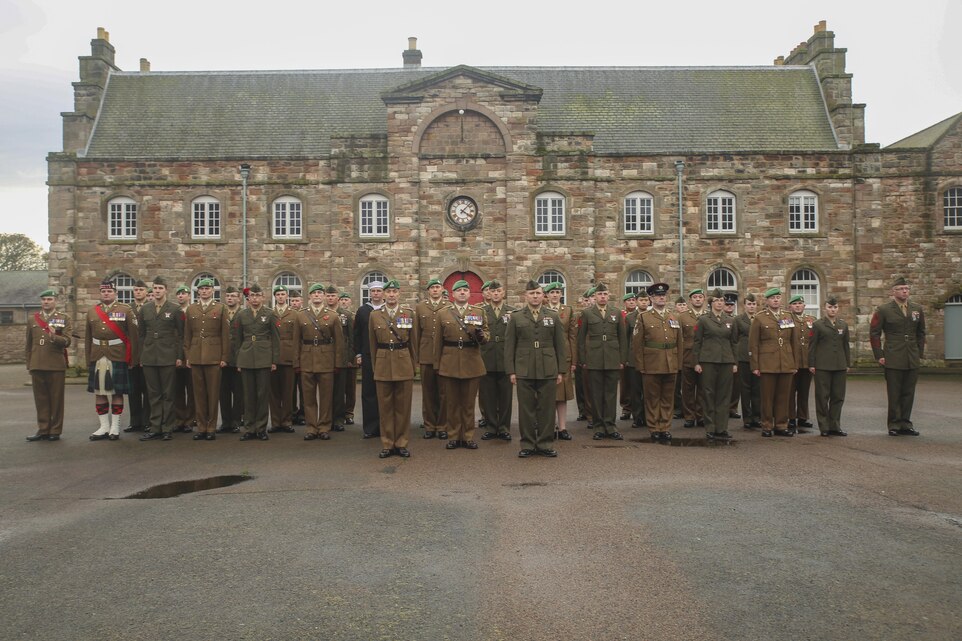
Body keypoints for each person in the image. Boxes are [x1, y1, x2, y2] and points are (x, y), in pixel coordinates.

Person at [506, 280, 566, 457]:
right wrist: (511, 371)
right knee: (526, 409)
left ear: (543, 295)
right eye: (531, 293)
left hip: (548, 368)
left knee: (546, 408)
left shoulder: (553, 316)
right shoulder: (516, 317)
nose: (535, 296)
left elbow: (560, 346)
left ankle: (545, 444)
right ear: (526, 296)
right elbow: (510, 346)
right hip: (524, 368)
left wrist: (561, 371)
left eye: (538, 293)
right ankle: (527, 444)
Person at [435, 279, 490, 450]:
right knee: (452, 403)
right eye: (459, 291)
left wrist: (482, 336)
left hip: (471, 361)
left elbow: (487, 334)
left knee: (468, 403)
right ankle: (453, 436)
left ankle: (467, 436)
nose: (462, 293)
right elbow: (437, 341)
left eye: (466, 290)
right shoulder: (443, 313)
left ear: (469, 294)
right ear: (452, 294)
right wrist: (437, 364)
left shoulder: (478, 311)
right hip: (450, 361)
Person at [368, 279, 418, 458]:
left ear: (399, 294)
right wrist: (375, 366)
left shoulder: (408, 314)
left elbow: (413, 343)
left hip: (403, 362)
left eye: (394, 292)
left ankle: (402, 443)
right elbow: (372, 344)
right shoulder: (375, 315)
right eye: (387, 292)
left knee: (403, 407)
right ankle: (388, 443)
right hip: (382, 364)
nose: (390, 295)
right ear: (383, 294)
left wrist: (413, 365)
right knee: (385, 407)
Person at [870, 277, 926, 436]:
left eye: (907, 288)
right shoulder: (883, 310)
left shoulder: (916, 309)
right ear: (893, 291)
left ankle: (906, 423)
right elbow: (874, 333)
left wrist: (919, 352)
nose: (905, 291)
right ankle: (894, 424)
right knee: (894, 392)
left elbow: (921, 332)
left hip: (911, 356)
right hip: (893, 355)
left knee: (909, 392)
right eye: (901, 289)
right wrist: (879, 355)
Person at [86, 278, 139, 441]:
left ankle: (115, 426)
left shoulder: (125, 309)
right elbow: (88, 337)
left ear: (115, 293)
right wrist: (88, 358)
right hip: (97, 355)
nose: (106, 293)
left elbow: (134, 336)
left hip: (118, 355)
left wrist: (133, 359)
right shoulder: (92, 311)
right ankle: (104, 426)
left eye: (109, 291)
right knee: (99, 391)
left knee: (117, 392)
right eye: (103, 291)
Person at [632, 283, 684, 442]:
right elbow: (637, 344)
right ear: (651, 298)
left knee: (668, 398)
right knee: (652, 398)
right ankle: (654, 427)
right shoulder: (643, 317)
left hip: (670, 363)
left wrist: (678, 364)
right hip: (652, 363)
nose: (661, 298)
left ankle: (665, 427)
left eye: (663, 295)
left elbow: (679, 342)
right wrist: (641, 365)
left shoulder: (673, 316)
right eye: (657, 295)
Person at [577, 283, 627, 440]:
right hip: (594, 358)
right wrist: (583, 359)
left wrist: (622, 359)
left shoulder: (617, 313)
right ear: (595, 296)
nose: (603, 297)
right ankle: (598, 426)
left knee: (611, 394)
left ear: (609, 295)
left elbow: (622, 338)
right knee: (596, 394)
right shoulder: (587, 313)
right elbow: (580, 339)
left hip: (612, 358)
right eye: (599, 294)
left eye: (605, 294)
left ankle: (611, 426)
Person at [749, 288, 800, 438]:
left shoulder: (788, 316)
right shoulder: (760, 318)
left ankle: (781, 425)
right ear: (767, 301)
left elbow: (794, 342)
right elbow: (753, 344)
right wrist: (755, 365)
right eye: (773, 298)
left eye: (778, 297)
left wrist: (795, 364)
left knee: (783, 396)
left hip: (786, 361)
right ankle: (766, 425)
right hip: (767, 363)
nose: (776, 300)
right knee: (767, 397)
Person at [293, 283, 342, 441]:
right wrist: (296, 362)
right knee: (308, 397)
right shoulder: (301, 315)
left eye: (320, 293)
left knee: (326, 396)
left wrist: (337, 362)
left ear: (323, 296)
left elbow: (339, 342)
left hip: (326, 359)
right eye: (314, 293)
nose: (317, 296)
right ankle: (311, 427)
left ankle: (324, 426)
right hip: (307, 359)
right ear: (309, 296)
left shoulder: (333, 316)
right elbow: (296, 341)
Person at [183, 278, 230, 440]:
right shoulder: (191, 309)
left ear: (212, 291)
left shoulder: (220, 308)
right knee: (199, 394)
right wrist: (188, 356)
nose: (204, 291)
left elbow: (225, 334)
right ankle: (201, 427)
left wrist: (224, 356)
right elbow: (187, 335)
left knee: (213, 393)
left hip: (214, 356)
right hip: (196, 355)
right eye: (201, 289)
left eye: (207, 289)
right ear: (198, 292)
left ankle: (211, 427)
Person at [232, 284, 279, 441]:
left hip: (264, 357)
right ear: (248, 298)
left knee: (262, 394)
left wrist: (274, 360)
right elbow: (237, 339)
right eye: (252, 296)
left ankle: (261, 428)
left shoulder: (270, 314)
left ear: (263, 297)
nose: (255, 298)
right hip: (246, 357)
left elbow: (276, 339)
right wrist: (238, 360)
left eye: (258, 296)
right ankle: (249, 428)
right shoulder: (241, 315)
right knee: (248, 395)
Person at [138, 277, 183, 441]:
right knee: (153, 394)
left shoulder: (175, 309)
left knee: (168, 393)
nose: (157, 291)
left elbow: (181, 335)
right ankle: (155, 426)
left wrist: (179, 356)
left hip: (167, 355)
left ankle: (167, 427)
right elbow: (141, 335)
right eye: (155, 288)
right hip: (150, 355)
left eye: (160, 288)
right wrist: (141, 356)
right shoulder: (145, 309)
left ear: (166, 290)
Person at [25, 288, 71, 442]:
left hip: (55, 365)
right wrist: (29, 364)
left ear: (55, 301)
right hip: (37, 364)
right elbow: (29, 343)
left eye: (49, 299)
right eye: (44, 300)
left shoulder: (63, 318)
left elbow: (67, 341)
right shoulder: (33, 319)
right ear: (41, 301)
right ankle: (43, 429)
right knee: (41, 399)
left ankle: (55, 430)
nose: (46, 302)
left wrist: (54, 336)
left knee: (56, 399)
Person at [693, 289, 738, 441]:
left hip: (726, 361)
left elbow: (734, 342)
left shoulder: (730, 320)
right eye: (717, 301)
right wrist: (696, 362)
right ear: (711, 303)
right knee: (708, 394)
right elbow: (697, 342)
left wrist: (734, 362)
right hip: (708, 360)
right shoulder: (704, 320)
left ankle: (722, 427)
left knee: (724, 395)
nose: (720, 303)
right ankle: (710, 427)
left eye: (722, 301)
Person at [480, 279, 517, 441]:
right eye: (492, 291)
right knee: (487, 396)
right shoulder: (481, 311)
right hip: (486, 357)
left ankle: (503, 427)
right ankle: (490, 427)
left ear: (503, 293)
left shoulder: (512, 312)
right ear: (488, 293)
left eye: (498, 291)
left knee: (505, 397)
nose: (495, 294)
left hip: (504, 358)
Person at [809, 297, 851, 437]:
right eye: (830, 307)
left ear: (837, 309)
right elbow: (812, 346)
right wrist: (812, 364)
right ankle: (824, 426)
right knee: (822, 396)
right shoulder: (818, 325)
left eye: (835, 307)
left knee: (838, 396)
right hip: (823, 365)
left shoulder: (843, 325)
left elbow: (846, 345)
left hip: (839, 365)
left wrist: (848, 363)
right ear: (824, 308)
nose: (832, 310)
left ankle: (835, 425)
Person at [414, 278, 449, 439]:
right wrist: (417, 357)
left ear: (442, 289)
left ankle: (442, 425)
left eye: (437, 287)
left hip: (443, 355)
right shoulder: (420, 307)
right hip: (426, 353)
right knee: (428, 392)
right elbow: (416, 334)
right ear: (428, 291)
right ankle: (429, 425)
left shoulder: (448, 306)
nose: (435, 290)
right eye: (432, 287)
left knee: (444, 392)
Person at [544, 282, 577, 440]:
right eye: (552, 292)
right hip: (547, 354)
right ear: (547, 295)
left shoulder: (568, 311)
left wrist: (574, 360)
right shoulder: (543, 310)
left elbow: (572, 336)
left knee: (562, 394)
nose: (555, 295)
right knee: (548, 393)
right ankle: (548, 426)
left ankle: (563, 427)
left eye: (558, 292)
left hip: (564, 356)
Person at [354, 281, 385, 439]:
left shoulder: (388, 310)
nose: (376, 294)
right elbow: (357, 334)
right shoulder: (363, 311)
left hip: (385, 355)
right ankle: (370, 427)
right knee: (369, 392)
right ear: (370, 293)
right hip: (367, 356)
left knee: (386, 392)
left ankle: (386, 426)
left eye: (379, 291)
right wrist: (358, 354)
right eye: (374, 291)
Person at [269, 285, 298, 434]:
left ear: (287, 296)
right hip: (272, 357)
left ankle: (286, 421)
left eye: (282, 294)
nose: (280, 296)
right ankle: (275, 422)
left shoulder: (294, 314)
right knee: (273, 393)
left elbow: (297, 337)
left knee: (288, 392)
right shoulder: (269, 314)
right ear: (274, 296)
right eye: (278, 294)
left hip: (288, 356)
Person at [787, 294, 816, 433]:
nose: (798, 306)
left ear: (804, 306)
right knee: (790, 391)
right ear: (790, 306)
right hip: (792, 361)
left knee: (804, 391)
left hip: (806, 361)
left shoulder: (811, 320)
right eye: (795, 304)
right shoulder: (786, 320)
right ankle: (791, 417)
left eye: (800, 303)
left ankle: (803, 417)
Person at [125, 279, 151, 432]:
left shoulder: (151, 308)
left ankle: (147, 421)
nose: (138, 292)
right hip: (132, 355)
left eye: (141, 290)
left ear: (146, 292)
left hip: (147, 353)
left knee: (148, 390)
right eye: (136, 290)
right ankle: (135, 421)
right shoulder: (128, 309)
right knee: (133, 390)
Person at [217, 285, 244, 433]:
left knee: (239, 393)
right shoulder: (221, 313)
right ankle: (225, 421)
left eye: (233, 296)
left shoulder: (243, 313)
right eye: (228, 296)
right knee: (223, 392)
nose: (230, 298)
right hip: (223, 359)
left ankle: (236, 421)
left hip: (238, 359)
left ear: (239, 298)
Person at [327, 285, 353, 432]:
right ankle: (327, 418)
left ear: (337, 297)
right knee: (326, 390)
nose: (330, 298)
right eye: (328, 295)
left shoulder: (346, 315)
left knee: (339, 390)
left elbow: (350, 338)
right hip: (325, 356)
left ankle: (338, 418)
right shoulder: (321, 313)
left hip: (341, 356)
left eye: (333, 295)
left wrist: (349, 358)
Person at [733, 293, 761, 429]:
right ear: (744, 306)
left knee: (757, 389)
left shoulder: (760, 319)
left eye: (754, 304)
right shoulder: (738, 320)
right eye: (749, 304)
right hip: (743, 357)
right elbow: (734, 339)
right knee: (745, 389)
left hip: (757, 358)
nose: (751, 306)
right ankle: (747, 418)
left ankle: (757, 416)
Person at [680, 289, 706, 428]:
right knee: (688, 388)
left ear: (704, 299)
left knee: (702, 388)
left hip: (704, 356)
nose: (697, 299)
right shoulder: (683, 317)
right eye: (695, 297)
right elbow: (679, 338)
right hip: (688, 356)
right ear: (690, 300)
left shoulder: (708, 316)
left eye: (700, 297)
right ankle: (689, 416)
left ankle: (700, 415)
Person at [172, 284, 195, 433]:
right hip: (175, 354)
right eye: (178, 294)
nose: (181, 296)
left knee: (192, 389)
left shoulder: (193, 311)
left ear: (188, 296)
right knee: (177, 389)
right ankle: (179, 419)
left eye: (183, 293)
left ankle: (190, 419)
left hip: (191, 353)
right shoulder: (173, 311)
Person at [623, 291, 646, 429]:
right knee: (635, 390)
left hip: (649, 358)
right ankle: (637, 417)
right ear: (636, 301)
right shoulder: (630, 318)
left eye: (645, 300)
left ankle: (648, 417)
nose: (644, 302)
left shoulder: (651, 316)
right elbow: (625, 339)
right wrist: (625, 358)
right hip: (633, 358)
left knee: (648, 390)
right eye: (641, 300)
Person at [338, 292, 357, 426]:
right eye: (342, 300)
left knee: (350, 388)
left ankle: (349, 413)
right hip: (338, 357)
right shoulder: (335, 315)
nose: (344, 302)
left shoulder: (352, 316)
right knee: (339, 388)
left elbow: (353, 338)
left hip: (350, 357)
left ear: (350, 302)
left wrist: (351, 357)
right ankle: (338, 413)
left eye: (346, 300)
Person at [619, 293, 638, 421]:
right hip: (626, 353)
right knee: (625, 383)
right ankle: (626, 408)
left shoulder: (639, 315)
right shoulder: (621, 315)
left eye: (633, 300)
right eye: (628, 300)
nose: (631, 302)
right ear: (624, 302)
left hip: (637, 354)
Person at [723, 292, 741, 419]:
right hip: (723, 353)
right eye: (727, 304)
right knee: (723, 384)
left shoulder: (737, 319)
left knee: (735, 385)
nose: (729, 307)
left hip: (735, 353)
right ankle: (723, 407)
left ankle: (732, 407)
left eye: (731, 305)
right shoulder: (720, 318)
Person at [289, 290, 306, 426]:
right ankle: (292, 412)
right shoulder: (287, 314)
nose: (295, 303)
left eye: (297, 301)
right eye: (293, 301)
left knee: (304, 388)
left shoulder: (305, 314)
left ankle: (303, 413)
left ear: (302, 301)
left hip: (305, 354)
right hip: (289, 355)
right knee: (291, 388)